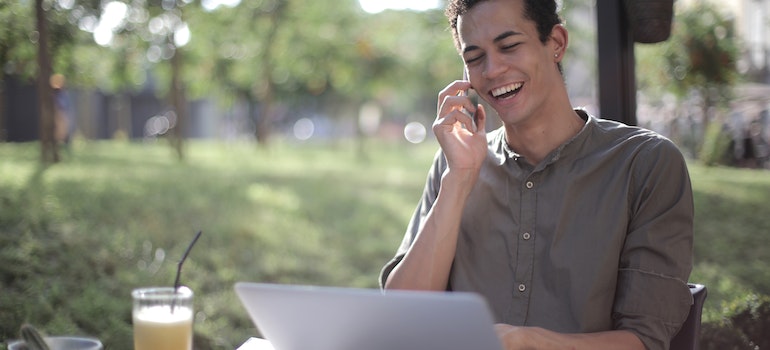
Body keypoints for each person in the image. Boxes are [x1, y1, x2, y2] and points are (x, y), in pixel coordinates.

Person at [379, 0, 694, 349]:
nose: (493, 70)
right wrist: (458, 181)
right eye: (474, 58)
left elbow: (644, 340)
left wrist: (526, 342)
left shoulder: (645, 163)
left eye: (509, 46)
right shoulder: (456, 162)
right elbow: (399, 316)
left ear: (556, 42)